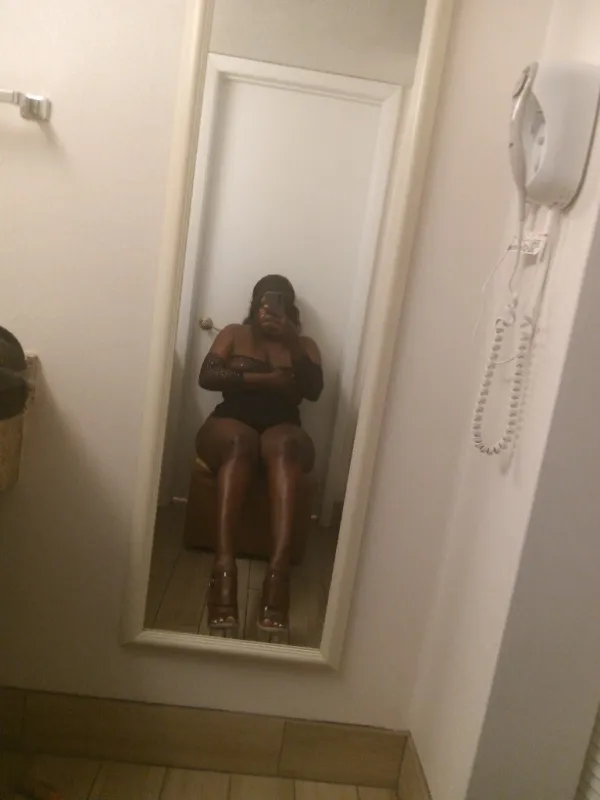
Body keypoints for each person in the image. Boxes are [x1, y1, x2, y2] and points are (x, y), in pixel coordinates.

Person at [196, 275, 324, 636]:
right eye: (265, 300)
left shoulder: (304, 344)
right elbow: (207, 376)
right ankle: (223, 572)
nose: (271, 308)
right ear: (254, 304)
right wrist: (265, 380)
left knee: (283, 447)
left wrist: (292, 341)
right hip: (229, 423)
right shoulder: (234, 333)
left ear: (290, 308)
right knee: (240, 443)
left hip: (283, 428)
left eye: (280, 301)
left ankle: (278, 576)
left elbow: (314, 390)